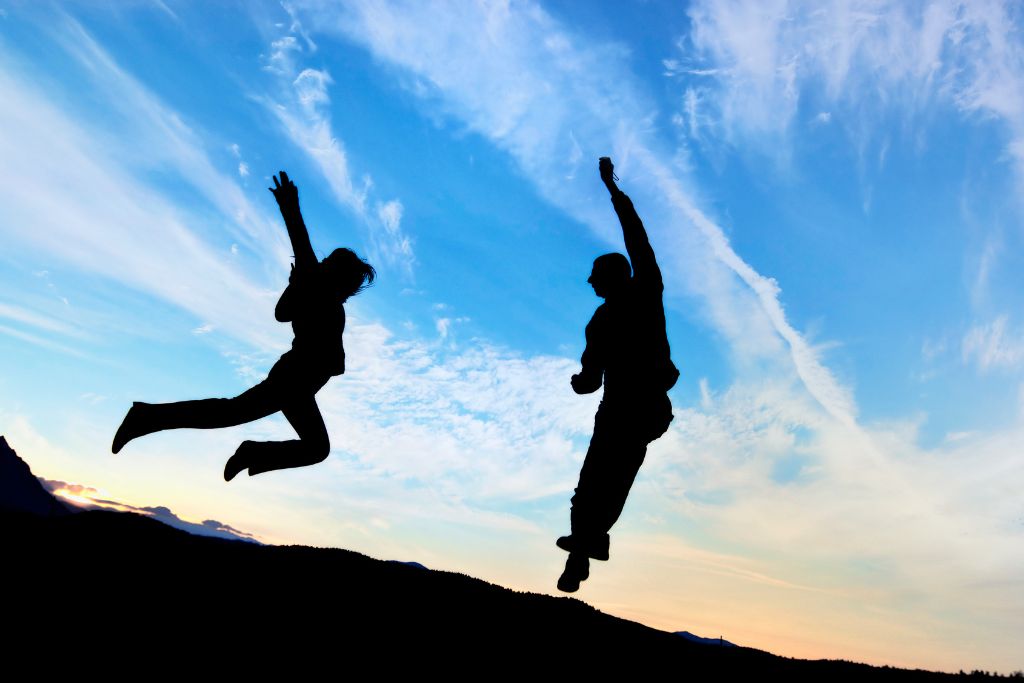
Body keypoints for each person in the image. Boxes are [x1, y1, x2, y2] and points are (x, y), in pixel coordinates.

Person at [112, 171, 375, 481]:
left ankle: (248, 451)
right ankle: (147, 416)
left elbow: (282, 313)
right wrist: (290, 207)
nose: (351, 291)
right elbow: (302, 246)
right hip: (294, 381)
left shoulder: (317, 294)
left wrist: (295, 285)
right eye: (351, 283)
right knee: (232, 413)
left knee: (312, 446)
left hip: (300, 386)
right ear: (337, 278)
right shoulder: (319, 289)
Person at [557, 157, 678, 592]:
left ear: (613, 275)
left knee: (604, 483)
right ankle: (583, 552)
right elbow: (591, 377)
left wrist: (613, 191)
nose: (589, 282)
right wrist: (581, 382)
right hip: (621, 411)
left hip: (642, 408)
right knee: (595, 485)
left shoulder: (645, 292)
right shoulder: (599, 322)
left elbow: (637, 238)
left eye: (594, 275)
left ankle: (588, 545)